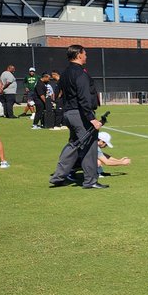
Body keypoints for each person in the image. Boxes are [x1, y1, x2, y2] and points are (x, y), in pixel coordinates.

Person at [49, 46, 106, 189]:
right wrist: (91, 118)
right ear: (79, 55)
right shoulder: (80, 74)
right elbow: (84, 97)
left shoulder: (65, 73)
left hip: (69, 113)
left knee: (73, 145)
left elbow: (57, 94)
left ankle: (58, 177)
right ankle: (90, 181)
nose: (86, 56)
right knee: (89, 147)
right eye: (85, 54)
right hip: (80, 114)